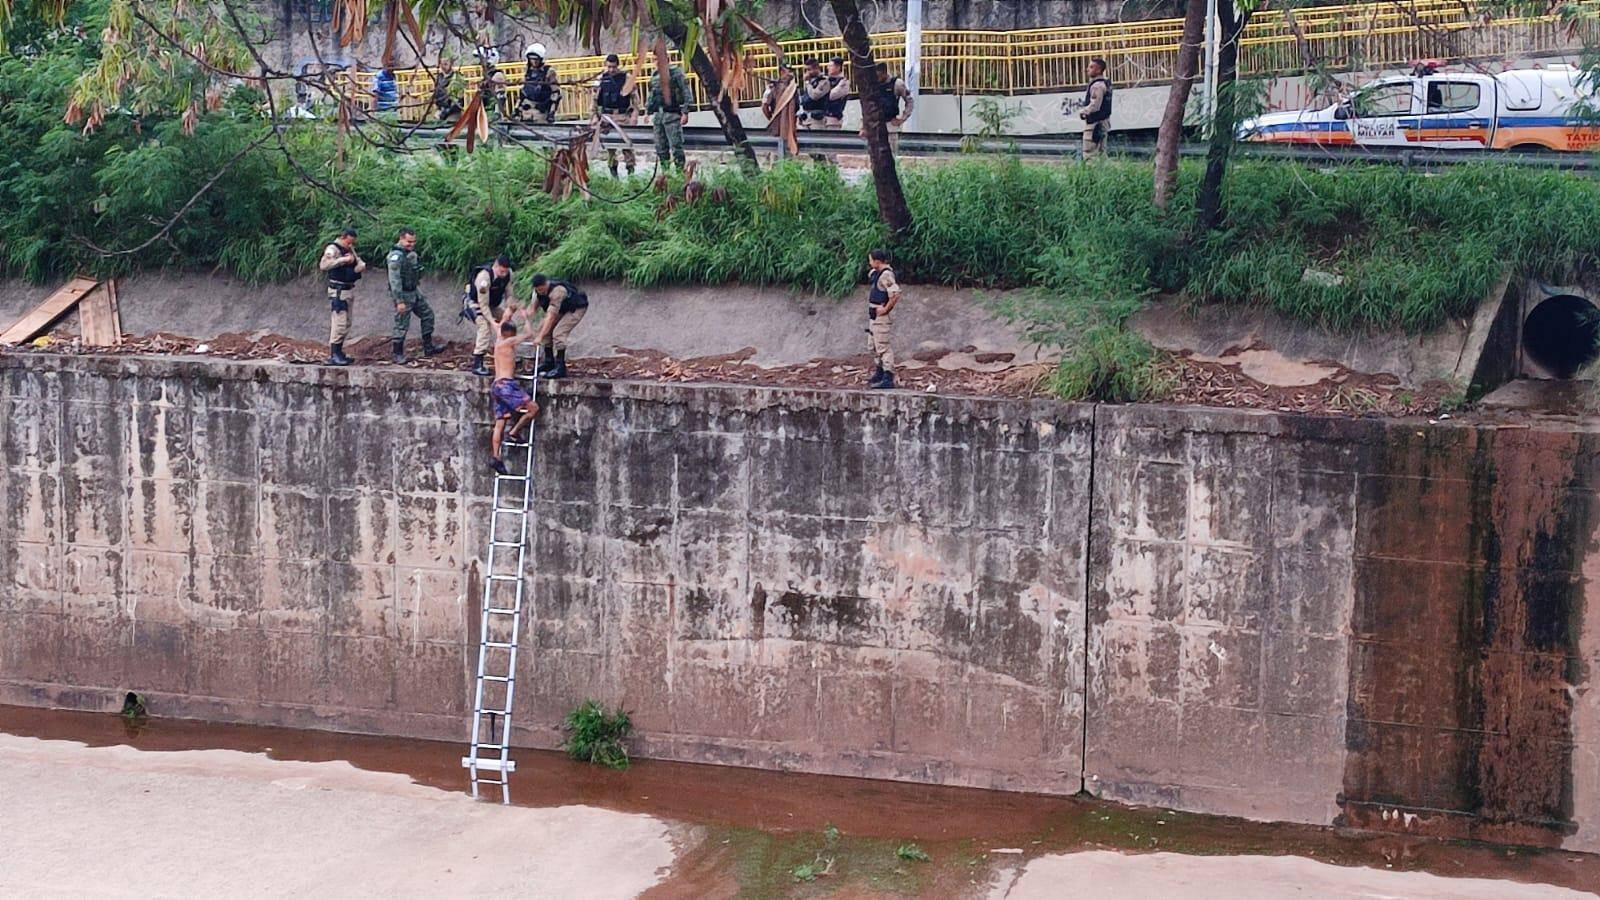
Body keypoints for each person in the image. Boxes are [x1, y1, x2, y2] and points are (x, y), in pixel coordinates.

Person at [487, 307, 539, 476]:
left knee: (500, 422)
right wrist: (526, 318)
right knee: (533, 408)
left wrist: (509, 312)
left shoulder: (498, 341)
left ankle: (496, 457)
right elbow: (529, 335)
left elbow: (502, 325)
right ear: (511, 334)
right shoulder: (508, 342)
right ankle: (515, 432)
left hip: (496, 386)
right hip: (506, 385)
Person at [387, 228, 444, 364]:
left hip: (414, 291)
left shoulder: (410, 254)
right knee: (401, 324)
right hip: (403, 294)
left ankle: (428, 346)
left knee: (428, 315)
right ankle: (397, 353)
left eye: (413, 242)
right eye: (408, 241)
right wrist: (399, 300)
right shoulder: (396, 257)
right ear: (401, 239)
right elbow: (394, 280)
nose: (411, 244)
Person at [318, 228, 366, 366]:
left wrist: (359, 267)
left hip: (348, 289)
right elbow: (324, 265)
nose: (350, 245)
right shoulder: (333, 249)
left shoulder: (350, 249)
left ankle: (339, 352)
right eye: (349, 242)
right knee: (339, 323)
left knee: (347, 323)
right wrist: (342, 260)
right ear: (344, 237)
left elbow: (357, 263)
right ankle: (334, 354)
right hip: (338, 291)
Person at [463, 255, 516, 377]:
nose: (503, 274)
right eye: (501, 271)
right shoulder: (484, 278)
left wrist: (510, 309)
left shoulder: (508, 275)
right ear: (495, 267)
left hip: (491, 304)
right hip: (475, 303)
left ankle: (508, 353)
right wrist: (494, 323)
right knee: (484, 327)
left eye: (506, 271)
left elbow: (509, 295)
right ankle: (478, 362)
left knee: (509, 324)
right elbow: (483, 305)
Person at [529, 274, 588, 378]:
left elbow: (551, 317)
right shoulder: (537, 292)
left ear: (546, 284)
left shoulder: (558, 291)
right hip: (562, 309)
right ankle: (549, 362)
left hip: (576, 308)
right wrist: (526, 316)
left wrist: (540, 337)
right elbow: (532, 309)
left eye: (542, 289)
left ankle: (561, 367)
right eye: (538, 290)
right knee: (543, 328)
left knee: (558, 333)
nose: (541, 292)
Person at [594, 53, 637, 177]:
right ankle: (614, 178)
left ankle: (631, 177)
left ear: (618, 65)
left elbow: (635, 99)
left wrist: (634, 116)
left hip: (623, 117)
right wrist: (594, 117)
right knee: (610, 148)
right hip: (607, 117)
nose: (611, 70)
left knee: (627, 147)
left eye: (613, 67)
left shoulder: (626, 78)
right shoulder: (602, 78)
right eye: (609, 67)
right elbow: (595, 100)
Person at [865, 248, 901, 389]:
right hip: (874, 314)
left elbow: (895, 294)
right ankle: (879, 372)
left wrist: (886, 309)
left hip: (881, 316)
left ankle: (888, 376)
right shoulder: (877, 273)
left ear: (877, 261)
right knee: (873, 345)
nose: (869, 263)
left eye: (871, 260)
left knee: (883, 347)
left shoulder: (886, 275)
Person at [861, 63, 914, 152]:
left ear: (884, 73)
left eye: (879, 76)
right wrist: (864, 126)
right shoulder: (872, 85)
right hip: (875, 126)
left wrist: (902, 118)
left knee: (891, 155)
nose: (877, 79)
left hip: (890, 126)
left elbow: (910, 102)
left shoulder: (897, 84)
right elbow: (867, 107)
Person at [647, 63, 691, 170]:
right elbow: (652, 95)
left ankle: (680, 174)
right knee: (660, 148)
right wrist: (648, 111)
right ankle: (665, 175)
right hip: (658, 116)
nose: (656, 62)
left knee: (676, 147)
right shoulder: (655, 75)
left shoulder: (675, 73)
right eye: (654, 59)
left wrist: (685, 112)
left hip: (672, 115)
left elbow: (686, 92)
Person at [1077, 57, 1113, 161]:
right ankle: (1102, 175)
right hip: (1104, 122)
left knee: (1090, 154)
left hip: (1094, 124)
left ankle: (1091, 176)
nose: (1088, 69)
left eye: (1091, 67)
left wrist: (1083, 112)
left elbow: (1095, 105)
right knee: (1102, 153)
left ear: (1099, 70)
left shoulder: (1097, 86)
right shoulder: (1106, 84)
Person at [518, 44, 561, 123]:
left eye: (536, 59)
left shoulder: (548, 72)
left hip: (541, 111)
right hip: (527, 111)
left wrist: (551, 112)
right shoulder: (528, 71)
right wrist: (517, 108)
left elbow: (556, 94)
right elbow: (523, 92)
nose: (534, 62)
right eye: (531, 59)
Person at [798, 57, 830, 129]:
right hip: (806, 118)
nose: (807, 72)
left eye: (809, 70)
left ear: (816, 68)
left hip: (817, 120)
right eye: (806, 70)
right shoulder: (811, 81)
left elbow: (815, 96)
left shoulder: (824, 81)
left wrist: (808, 83)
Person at [823, 56, 850, 129]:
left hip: (833, 119)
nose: (828, 68)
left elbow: (830, 96)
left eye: (831, 66)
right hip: (822, 118)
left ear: (838, 67)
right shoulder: (826, 80)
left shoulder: (844, 82)